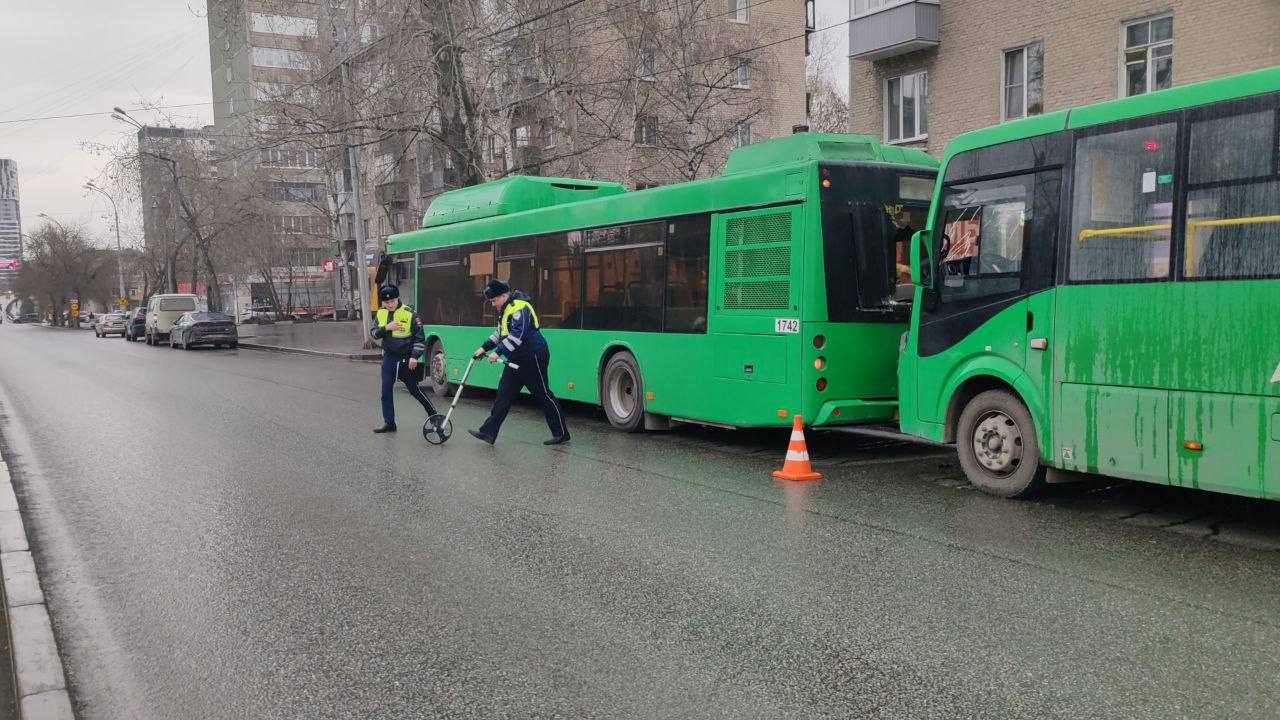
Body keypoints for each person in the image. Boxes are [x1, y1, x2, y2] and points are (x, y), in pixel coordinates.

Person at [468, 279, 569, 446]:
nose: (493, 304)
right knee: (504, 394)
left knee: (543, 394)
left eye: (494, 301)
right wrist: (484, 347)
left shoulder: (520, 308)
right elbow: (500, 333)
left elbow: (516, 336)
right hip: (516, 358)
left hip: (533, 356)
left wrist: (497, 352)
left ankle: (561, 433)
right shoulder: (505, 308)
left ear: (503, 295)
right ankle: (488, 432)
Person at [369, 285, 438, 434]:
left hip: (406, 359)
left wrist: (414, 356)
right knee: (385, 391)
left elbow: (420, 339)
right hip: (389, 358)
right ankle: (389, 423)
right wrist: (387, 328)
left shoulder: (410, 314)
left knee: (414, 390)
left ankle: (434, 416)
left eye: (392, 301)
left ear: (397, 298)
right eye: (386, 303)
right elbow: (374, 333)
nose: (390, 304)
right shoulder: (381, 313)